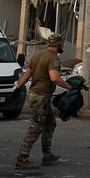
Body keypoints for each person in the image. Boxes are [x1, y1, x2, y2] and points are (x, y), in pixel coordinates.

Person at [14, 34, 73, 170]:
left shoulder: (37, 56)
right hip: (41, 96)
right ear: (58, 44)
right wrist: (70, 87)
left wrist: (17, 88)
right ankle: (22, 159)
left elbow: (27, 74)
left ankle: (47, 155)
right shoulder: (53, 58)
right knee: (35, 128)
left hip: (36, 95)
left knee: (50, 124)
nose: (63, 46)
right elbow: (55, 78)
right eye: (62, 44)